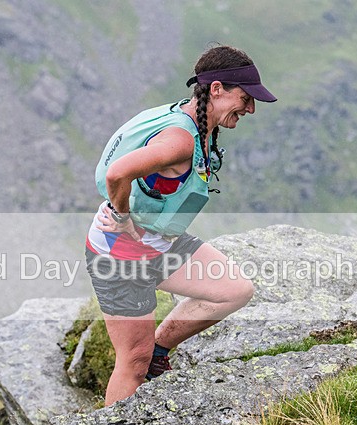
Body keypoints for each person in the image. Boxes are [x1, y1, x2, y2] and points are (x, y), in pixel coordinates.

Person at [85, 44, 277, 405]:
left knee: (235, 290)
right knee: (133, 362)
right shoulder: (179, 140)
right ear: (216, 89)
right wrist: (122, 216)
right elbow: (118, 172)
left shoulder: (190, 117)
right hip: (120, 254)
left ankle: (160, 347)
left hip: (161, 241)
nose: (250, 109)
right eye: (245, 98)